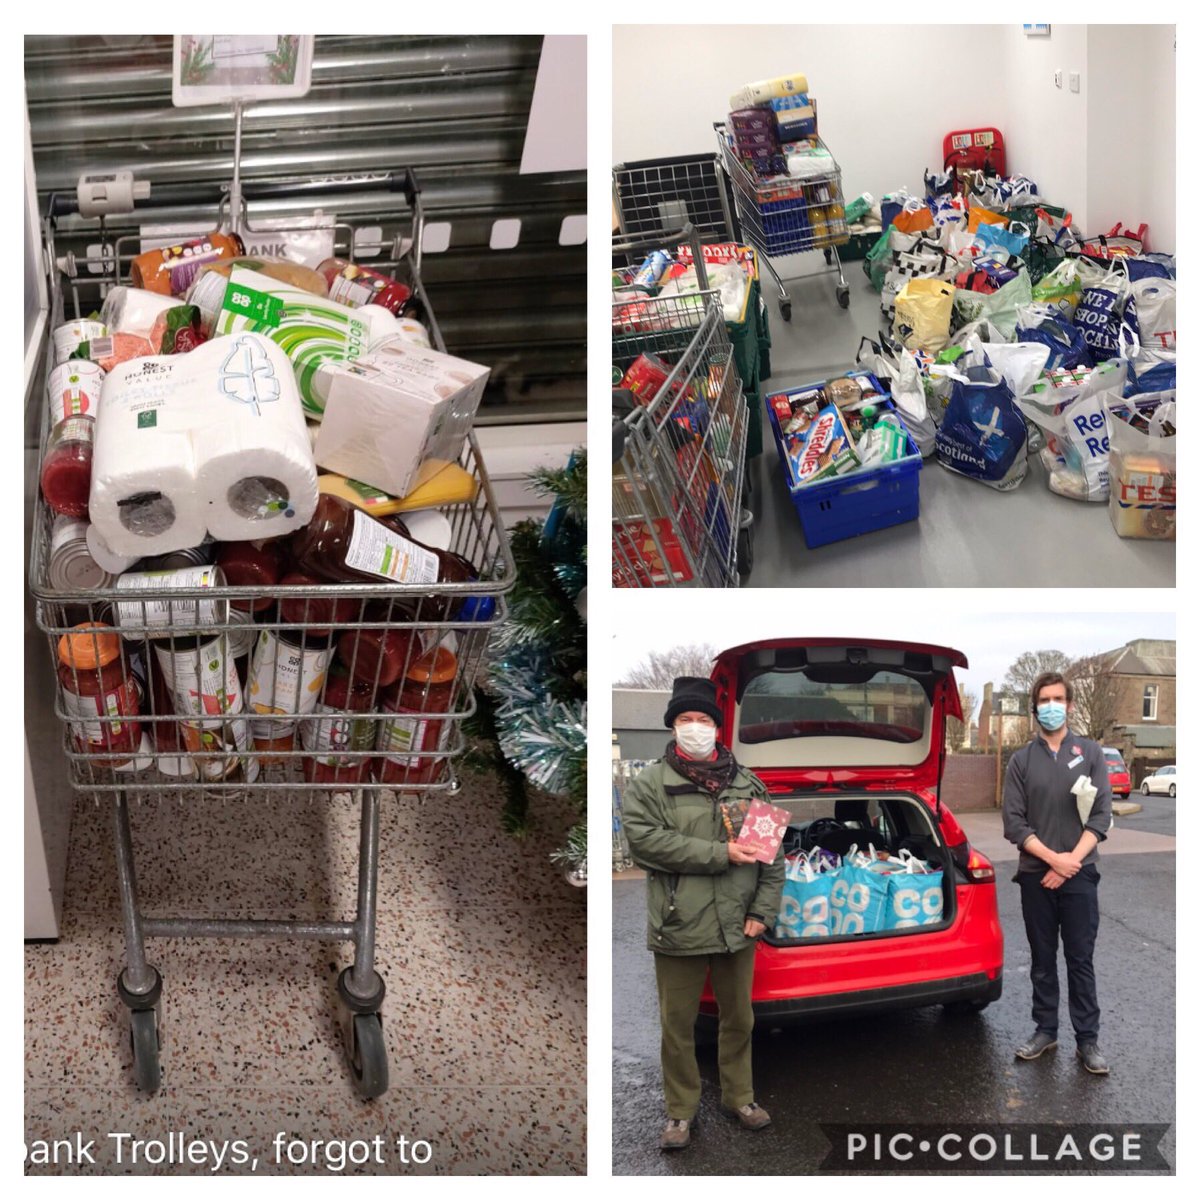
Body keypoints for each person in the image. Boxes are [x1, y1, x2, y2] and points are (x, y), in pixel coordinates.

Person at [622, 676, 785, 1151]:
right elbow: (645, 843)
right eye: (685, 719)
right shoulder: (652, 783)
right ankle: (680, 1111)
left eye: (704, 719)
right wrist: (721, 854)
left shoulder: (749, 783)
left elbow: (772, 858)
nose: (695, 727)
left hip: (738, 925)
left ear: (717, 726)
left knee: (740, 1019)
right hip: (679, 924)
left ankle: (741, 1098)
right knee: (677, 1026)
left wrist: (763, 911)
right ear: (672, 726)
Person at [1002, 671, 1114, 1075]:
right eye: (1044, 700)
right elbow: (1014, 823)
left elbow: (1101, 816)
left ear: (1069, 705)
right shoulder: (1020, 761)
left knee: (1080, 959)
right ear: (1035, 708)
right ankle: (1045, 1030)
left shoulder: (1090, 753)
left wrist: (1070, 864)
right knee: (1042, 959)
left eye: (1058, 699)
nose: (1051, 706)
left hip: (1080, 875)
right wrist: (1053, 860)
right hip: (1037, 876)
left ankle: (1088, 1041)